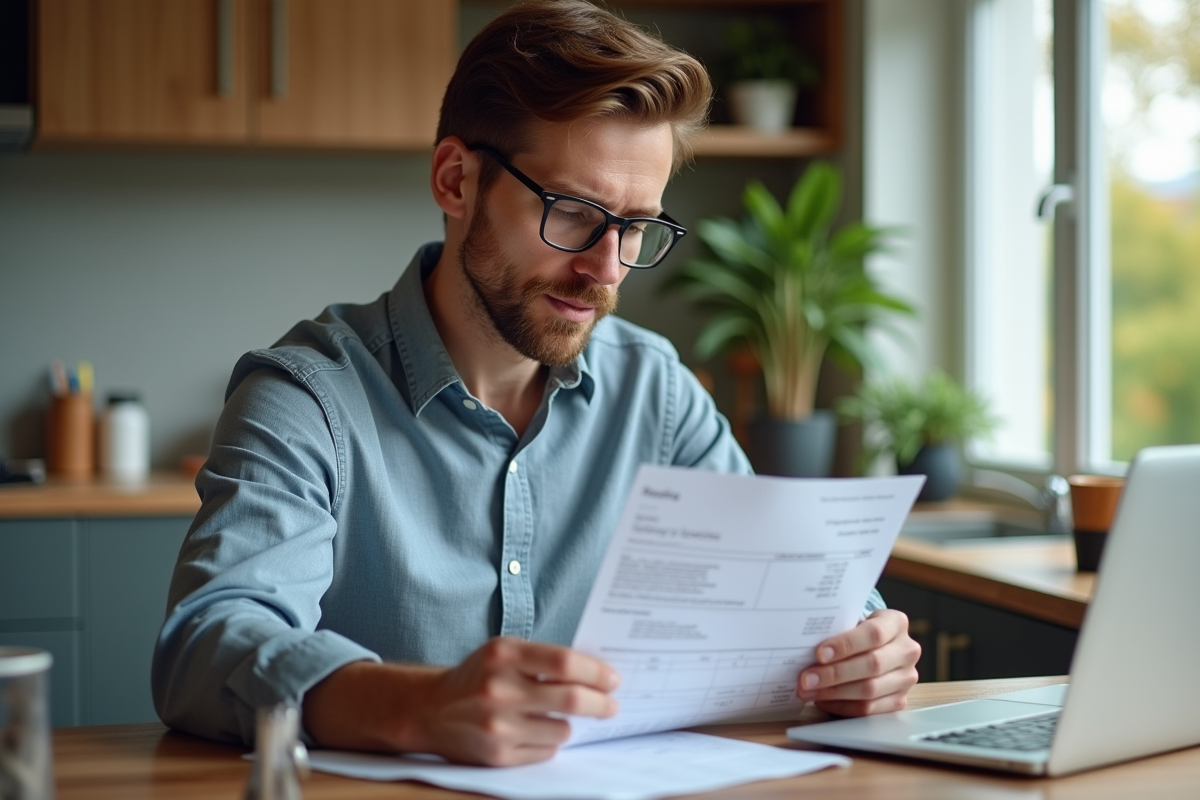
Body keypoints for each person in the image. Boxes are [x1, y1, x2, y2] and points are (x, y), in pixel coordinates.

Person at [152, 0, 920, 767]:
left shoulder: (658, 394)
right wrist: (418, 707)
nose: (606, 269)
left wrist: (860, 646)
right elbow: (206, 644)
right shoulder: (306, 399)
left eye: (636, 226)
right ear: (456, 181)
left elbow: (788, 589)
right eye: (573, 212)